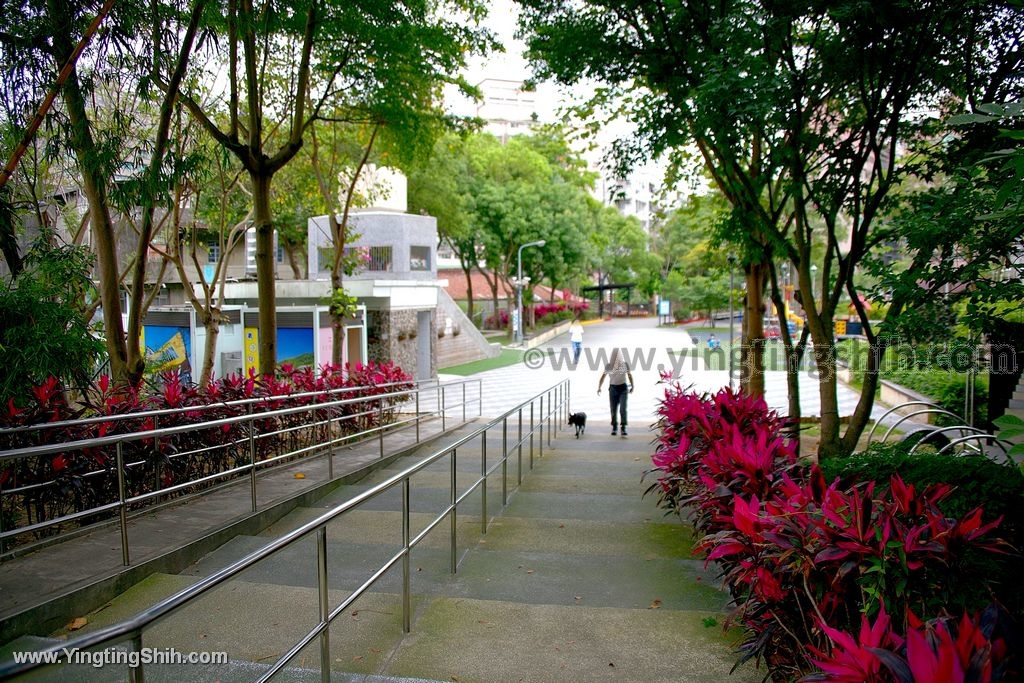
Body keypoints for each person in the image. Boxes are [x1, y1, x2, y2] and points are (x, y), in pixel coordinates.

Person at [597, 348, 634, 436]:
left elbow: (629, 375)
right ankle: (614, 427)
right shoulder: (609, 366)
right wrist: (599, 387)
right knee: (613, 409)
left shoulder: (625, 365)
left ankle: (623, 427)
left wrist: (632, 385)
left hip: (623, 389)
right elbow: (603, 377)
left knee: (623, 409)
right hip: (613, 389)